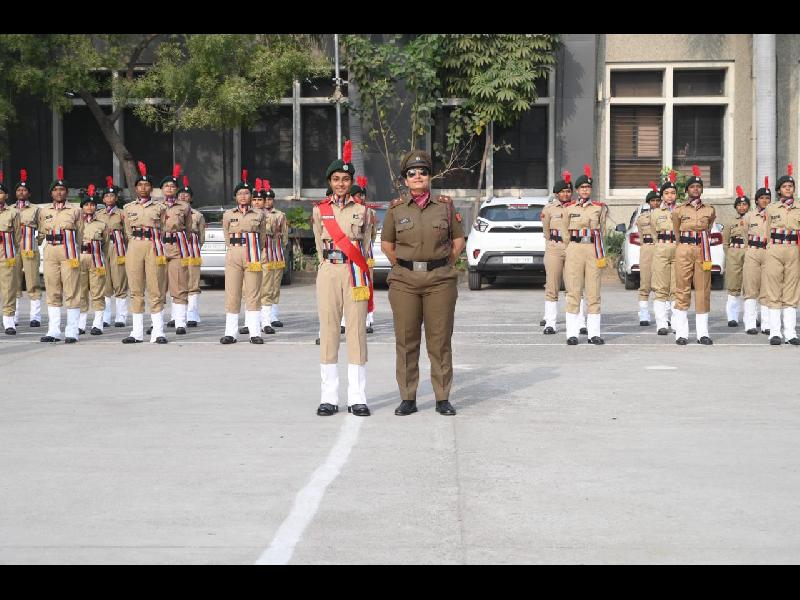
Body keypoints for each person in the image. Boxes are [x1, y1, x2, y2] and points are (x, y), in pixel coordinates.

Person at [381, 149, 465, 416]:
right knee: (406, 341)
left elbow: (458, 241)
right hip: (405, 281)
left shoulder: (445, 206)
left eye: (423, 172)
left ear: (430, 176)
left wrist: (442, 264)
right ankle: (408, 397)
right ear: (405, 180)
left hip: (440, 281)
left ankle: (442, 397)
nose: (418, 176)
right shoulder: (396, 209)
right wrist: (404, 266)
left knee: (439, 341)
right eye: (412, 173)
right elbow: (387, 244)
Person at [312, 140, 372, 417]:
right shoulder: (319, 210)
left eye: (345, 179)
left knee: (357, 332)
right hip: (329, 271)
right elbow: (318, 243)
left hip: (355, 272)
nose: (341, 183)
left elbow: (367, 246)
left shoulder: (365, 212)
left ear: (351, 182)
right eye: (336, 179)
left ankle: (358, 397)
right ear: (330, 182)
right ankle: (329, 397)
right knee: (329, 332)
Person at [122, 161, 168, 344]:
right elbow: (127, 231)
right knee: (135, 288)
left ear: (152, 188)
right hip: (135, 245)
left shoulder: (160, 208)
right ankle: (137, 332)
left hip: (153, 245)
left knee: (156, 288)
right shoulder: (128, 208)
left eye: (147, 185)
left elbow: (163, 228)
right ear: (135, 188)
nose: (143, 188)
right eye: (140, 185)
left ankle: (158, 332)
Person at [38, 166, 84, 343]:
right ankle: (54, 330)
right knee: (52, 289)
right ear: (51, 193)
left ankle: (72, 330)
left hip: (68, 250)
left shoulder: (75, 211)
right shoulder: (44, 211)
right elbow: (41, 232)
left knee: (72, 290)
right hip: (50, 250)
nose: (59, 192)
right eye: (55, 189)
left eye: (62, 189)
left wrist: (76, 252)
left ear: (66, 192)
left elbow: (80, 233)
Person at [672, 165, 716, 345]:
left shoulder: (710, 210)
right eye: (692, 187)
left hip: (702, 249)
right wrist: (683, 245)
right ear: (687, 190)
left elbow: (710, 227)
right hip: (684, 248)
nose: (695, 189)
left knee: (703, 289)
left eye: (698, 187)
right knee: (682, 288)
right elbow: (676, 231)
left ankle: (702, 334)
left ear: (702, 190)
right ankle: (681, 333)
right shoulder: (679, 210)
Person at [220, 170, 266, 345]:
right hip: (234, 254)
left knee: (253, 293)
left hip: (252, 254)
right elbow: (226, 234)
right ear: (235, 197)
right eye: (240, 193)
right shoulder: (228, 215)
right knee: (232, 293)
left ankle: (255, 332)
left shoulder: (258, 214)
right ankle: (230, 333)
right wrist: (233, 249)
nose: (243, 196)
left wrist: (256, 251)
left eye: (247, 193)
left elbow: (262, 237)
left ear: (251, 195)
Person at [563, 164, 608, 345]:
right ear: (577, 190)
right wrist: (569, 249)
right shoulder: (568, 209)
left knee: (593, 291)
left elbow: (602, 230)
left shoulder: (598, 208)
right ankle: (572, 333)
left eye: (588, 187)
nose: (585, 190)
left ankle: (593, 334)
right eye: (582, 187)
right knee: (573, 291)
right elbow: (565, 231)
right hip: (574, 248)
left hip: (592, 249)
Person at [764, 164, 800, 345]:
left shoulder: (799, 207)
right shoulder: (771, 208)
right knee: (773, 289)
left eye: (791, 186)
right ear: (779, 190)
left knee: (792, 290)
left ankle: (791, 332)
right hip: (775, 248)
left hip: (793, 249)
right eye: (785, 186)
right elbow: (766, 231)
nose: (788, 188)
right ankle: (775, 332)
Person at [159, 165, 191, 335]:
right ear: (162, 189)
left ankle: (180, 322)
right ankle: (158, 322)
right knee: (158, 287)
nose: (169, 188)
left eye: (172, 186)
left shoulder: (184, 207)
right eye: (166, 186)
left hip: (178, 248)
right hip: (159, 249)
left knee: (179, 285)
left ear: (176, 189)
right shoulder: (155, 207)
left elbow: (188, 227)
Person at [540, 171, 573, 334]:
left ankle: (576, 321)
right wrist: (553, 241)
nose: (566, 194)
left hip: (573, 248)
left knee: (573, 286)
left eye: (568, 191)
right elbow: (546, 230)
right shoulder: (549, 209)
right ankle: (550, 322)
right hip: (555, 247)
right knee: (552, 285)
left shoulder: (576, 208)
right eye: (562, 191)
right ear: (556, 193)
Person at [96, 176, 128, 328]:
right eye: (106, 195)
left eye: (112, 195)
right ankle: (106, 316)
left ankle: (121, 316)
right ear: (103, 199)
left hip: (117, 247)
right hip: (102, 248)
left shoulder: (122, 213)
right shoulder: (98, 214)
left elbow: (127, 233)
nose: (109, 198)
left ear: (116, 198)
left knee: (119, 280)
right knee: (105, 282)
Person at [650, 171, 679, 335]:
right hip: (661, 248)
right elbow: (654, 233)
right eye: (667, 193)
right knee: (661, 287)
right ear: (662, 196)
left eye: (673, 193)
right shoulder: (655, 213)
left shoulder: (681, 210)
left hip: (677, 248)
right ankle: (661, 323)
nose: (670, 196)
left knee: (676, 288)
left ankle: (676, 323)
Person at [77, 185, 108, 336]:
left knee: (97, 292)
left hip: (96, 259)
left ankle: (98, 324)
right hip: (79, 259)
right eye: (87, 204)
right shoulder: (77, 223)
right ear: (82, 207)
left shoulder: (102, 224)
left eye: (92, 204)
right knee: (81, 291)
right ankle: (81, 324)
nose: (89, 207)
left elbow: (107, 245)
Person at [742, 178, 771, 335]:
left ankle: (766, 324)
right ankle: (750, 323)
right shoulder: (749, 216)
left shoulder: (774, 215)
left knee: (767, 289)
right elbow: (744, 235)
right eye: (762, 198)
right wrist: (749, 250)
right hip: (753, 251)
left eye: (767, 198)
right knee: (751, 288)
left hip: (769, 253)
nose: (765, 201)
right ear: (757, 200)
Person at [14, 169, 42, 327]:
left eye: (24, 190)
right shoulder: (10, 209)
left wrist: (36, 242)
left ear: (29, 193)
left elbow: (43, 228)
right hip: (14, 249)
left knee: (33, 282)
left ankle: (35, 317)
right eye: (19, 189)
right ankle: (14, 316)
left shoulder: (36, 209)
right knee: (14, 282)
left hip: (30, 248)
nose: (21, 192)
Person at [260, 179, 288, 332]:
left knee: (275, 284)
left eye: (270, 199)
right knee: (263, 285)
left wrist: (281, 247)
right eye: (266, 199)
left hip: (276, 253)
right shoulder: (257, 213)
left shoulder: (280, 215)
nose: (268, 201)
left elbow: (284, 235)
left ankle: (273, 315)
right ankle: (262, 316)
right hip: (263, 253)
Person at [351, 175, 377, 333]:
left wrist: (366, 249)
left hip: (365, 255)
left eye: (362, 195)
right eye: (358, 195)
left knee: (367, 286)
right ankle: (347, 320)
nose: (361, 198)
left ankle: (368, 318)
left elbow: (371, 235)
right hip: (350, 254)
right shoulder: (346, 210)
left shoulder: (370, 212)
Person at [179, 176, 205, 327]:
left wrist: (195, 247)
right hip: (177, 250)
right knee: (177, 282)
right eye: (181, 193)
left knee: (193, 282)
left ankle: (192, 314)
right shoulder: (170, 211)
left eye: (186, 194)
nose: (183, 196)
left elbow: (201, 236)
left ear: (191, 198)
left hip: (192, 250)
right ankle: (178, 314)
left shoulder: (198, 215)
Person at [635, 182, 661, 326]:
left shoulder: (666, 216)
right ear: (648, 202)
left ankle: (663, 315)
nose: (656, 203)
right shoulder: (642, 218)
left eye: (658, 200)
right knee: (645, 282)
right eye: (653, 201)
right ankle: (644, 313)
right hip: (647, 248)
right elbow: (640, 235)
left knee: (662, 283)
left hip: (661, 249)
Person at [723, 187, 750, 327]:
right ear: (735, 207)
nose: (742, 206)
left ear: (748, 206)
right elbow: (725, 242)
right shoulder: (730, 222)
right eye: (739, 204)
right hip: (734, 253)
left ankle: (750, 317)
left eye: (744, 204)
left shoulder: (753, 219)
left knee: (751, 286)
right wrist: (730, 255)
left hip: (749, 253)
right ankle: (732, 317)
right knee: (733, 286)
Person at [0, 171, 21, 335]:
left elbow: (17, 237)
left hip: (6, 253)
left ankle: (9, 320)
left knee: (8, 287)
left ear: (6, 195)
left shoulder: (13, 213)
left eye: (1, 192)